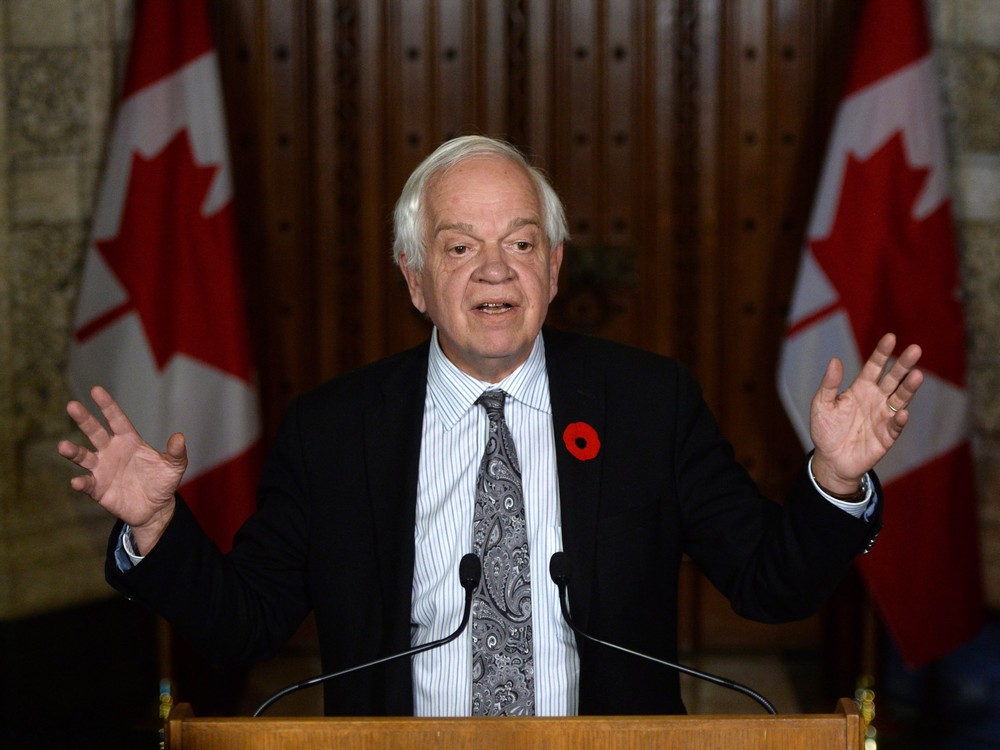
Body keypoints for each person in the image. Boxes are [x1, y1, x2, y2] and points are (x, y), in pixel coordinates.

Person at [59, 135, 923, 717]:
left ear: (552, 268)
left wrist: (835, 481)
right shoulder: (334, 431)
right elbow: (246, 620)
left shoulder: (646, 403)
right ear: (414, 279)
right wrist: (157, 529)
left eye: (518, 244)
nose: (493, 271)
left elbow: (769, 583)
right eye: (458, 246)